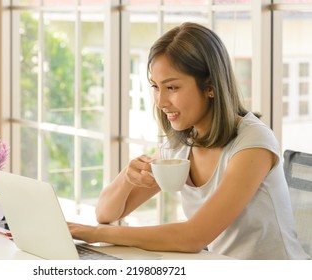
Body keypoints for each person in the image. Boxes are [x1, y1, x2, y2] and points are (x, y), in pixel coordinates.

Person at [68, 22, 310, 260]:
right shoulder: (180, 146)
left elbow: (193, 237)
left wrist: (96, 234)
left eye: (172, 87)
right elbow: (106, 213)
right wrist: (126, 177)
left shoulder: (253, 143)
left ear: (211, 87)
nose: (160, 102)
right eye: (155, 87)